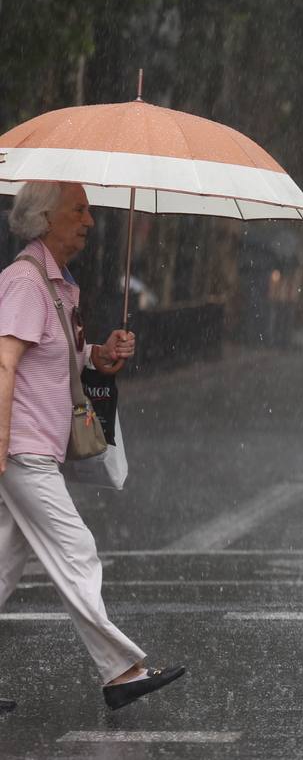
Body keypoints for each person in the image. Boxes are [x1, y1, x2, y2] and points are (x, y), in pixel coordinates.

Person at [0, 182, 186, 711]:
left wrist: (101, 353)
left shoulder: (57, 284)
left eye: (88, 210)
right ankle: (120, 671)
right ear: (43, 217)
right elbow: (4, 361)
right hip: (20, 448)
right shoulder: (22, 282)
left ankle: (119, 672)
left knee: (2, 563)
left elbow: (63, 359)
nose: (89, 221)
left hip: (36, 446)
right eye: (77, 210)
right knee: (76, 550)